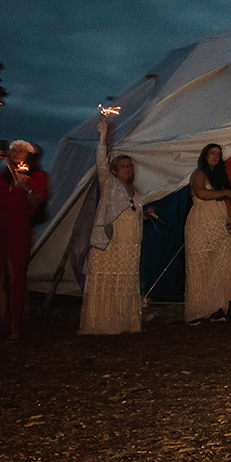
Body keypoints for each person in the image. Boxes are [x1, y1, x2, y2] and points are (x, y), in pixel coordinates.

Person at [0, 139, 50, 341]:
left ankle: (16, 325)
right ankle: (2, 324)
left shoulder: (37, 176)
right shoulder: (1, 177)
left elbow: (36, 203)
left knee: (15, 275)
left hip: (18, 225)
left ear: (29, 156)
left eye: (21, 151)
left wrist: (28, 189)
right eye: (14, 150)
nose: (16, 153)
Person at [79, 120, 143, 335]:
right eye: (123, 166)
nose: (127, 169)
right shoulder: (109, 183)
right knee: (108, 277)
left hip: (131, 240)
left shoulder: (134, 190)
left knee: (125, 278)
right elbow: (101, 163)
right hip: (112, 238)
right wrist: (104, 136)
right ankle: (102, 323)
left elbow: (133, 210)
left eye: (129, 166)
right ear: (114, 170)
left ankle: (123, 322)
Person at [184, 143, 231, 324]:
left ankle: (216, 309)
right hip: (200, 224)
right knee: (199, 267)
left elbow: (218, 206)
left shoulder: (218, 177)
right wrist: (225, 192)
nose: (215, 156)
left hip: (217, 226)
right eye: (212, 153)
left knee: (219, 267)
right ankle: (196, 312)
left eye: (218, 154)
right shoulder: (199, 174)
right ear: (205, 155)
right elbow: (201, 193)